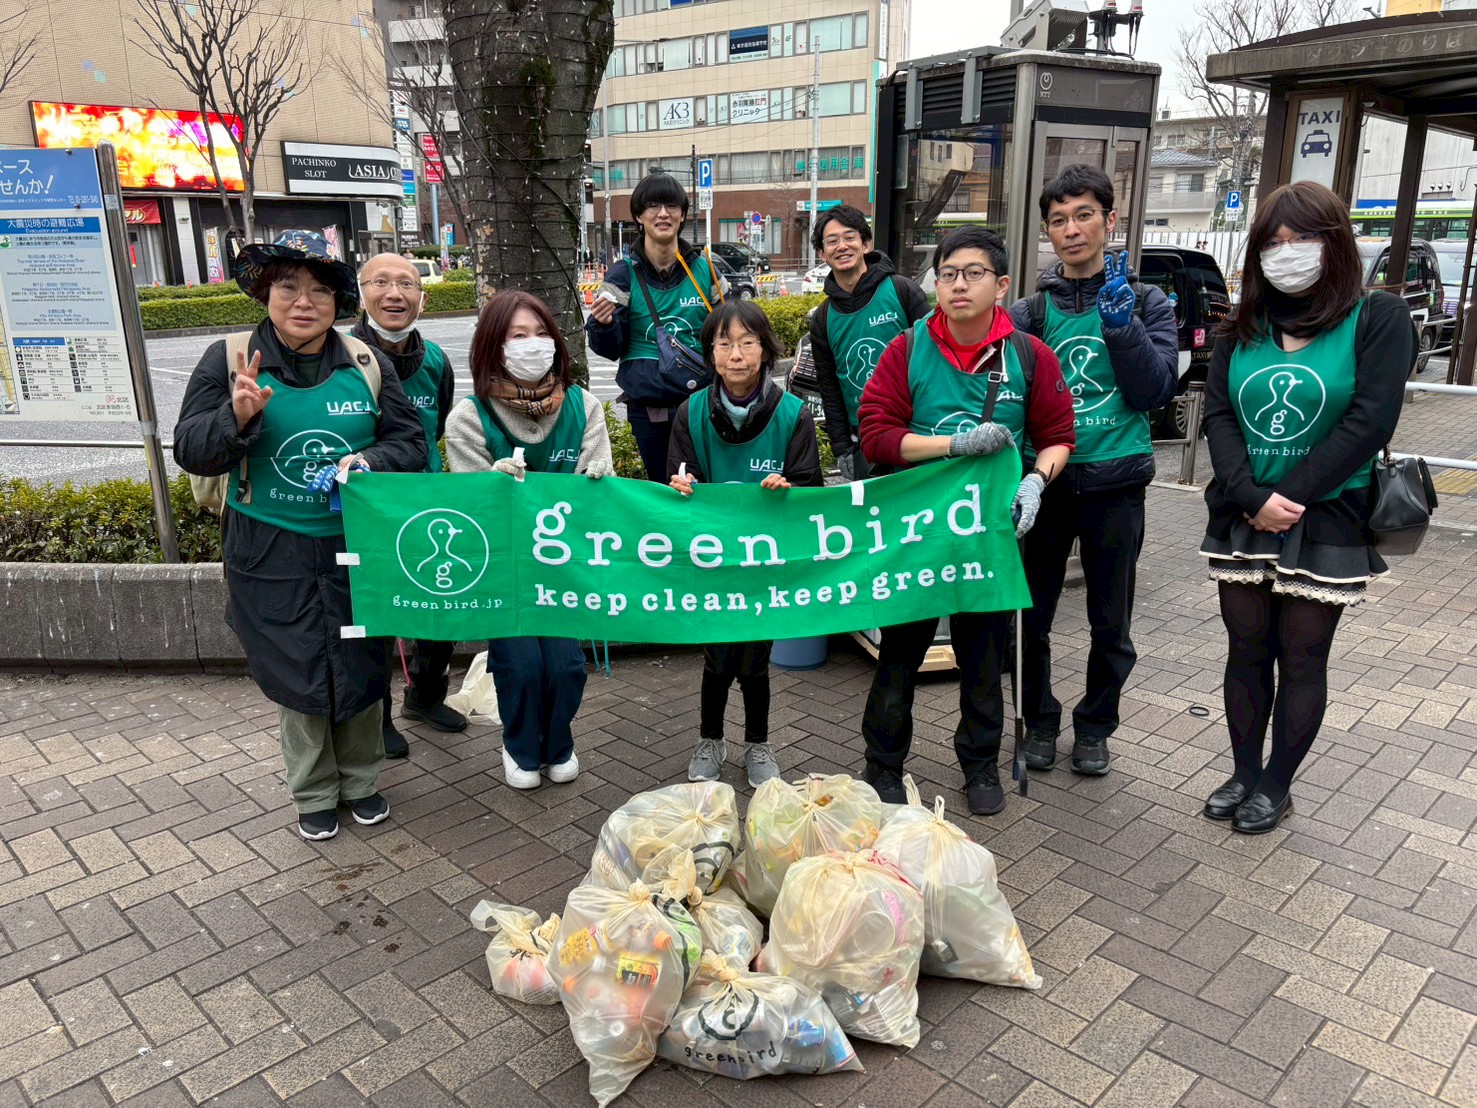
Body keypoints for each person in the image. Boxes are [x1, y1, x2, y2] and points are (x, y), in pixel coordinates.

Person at [174, 245, 426, 841]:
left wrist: (367, 458)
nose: (303, 302)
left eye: (319, 291)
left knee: (363, 660)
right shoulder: (230, 358)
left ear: (339, 302)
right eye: (288, 288)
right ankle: (313, 790)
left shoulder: (365, 362)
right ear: (265, 295)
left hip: (354, 543)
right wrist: (234, 418)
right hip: (269, 548)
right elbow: (189, 448)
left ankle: (362, 781)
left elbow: (411, 444)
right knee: (296, 665)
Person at [1200, 181, 1413, 834]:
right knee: (1244, 649)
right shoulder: (1241, 328)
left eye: (1301, 239)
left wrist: (1287, 497)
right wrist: (1251, 496)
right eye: (1273, 242)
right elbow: (1216, 415)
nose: (1285, 252)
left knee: (1300, 656)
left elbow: (1369, 420)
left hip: (1325, 516)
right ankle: (1241, 771)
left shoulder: (1376, 318)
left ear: (1335, 244)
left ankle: (1275, 783)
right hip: (1242, 514)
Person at [858, 227, 1074, 815]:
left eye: (973, 273)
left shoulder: (1031, 356)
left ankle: (980, 764)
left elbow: (1057, 438)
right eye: (948, 273)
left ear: (1001, 286)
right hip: (917, 537)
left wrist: (1036, 480)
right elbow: (876, 436)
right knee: (899, 653)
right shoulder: (907, 349)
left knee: (983, 657)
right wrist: (951, 446)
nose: (957, 284)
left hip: (988, 540)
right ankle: (882, 763)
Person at [1008, 164, 1179, 777]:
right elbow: (1008, 395)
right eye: (1058, 220)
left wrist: (1120, 326)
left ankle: (1095, 727)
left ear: (1110, 221)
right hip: (1046, 488)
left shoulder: (1148, 301)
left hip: (1116, 486)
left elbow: (1154, 391)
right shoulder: (1031, 311)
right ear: (1047, 233)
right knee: (1032, 616)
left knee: (1112, 621)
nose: (1072, 229)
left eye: (1084, 216)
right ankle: (1040, 722)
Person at [445, 290, 614, 790]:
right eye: (517, 336)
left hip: (564, 567)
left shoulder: (584, 405)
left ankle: (557, 743)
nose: (532, 345)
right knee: (519, 666)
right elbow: (467, 508)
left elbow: (596, 492)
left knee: (564, 667)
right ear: (494, 346)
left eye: (541, 334)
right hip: (507, 569)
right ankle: (519, 747)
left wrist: (601, 481)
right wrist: (489, 487)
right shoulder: (469, 417)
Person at [667, 301, 824, 787]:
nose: (736, 354)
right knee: (717, 658)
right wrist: (678, 488)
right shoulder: (689, 413)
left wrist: (789, 491)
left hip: (764, 564)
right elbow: (675, 487)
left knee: (755, 660)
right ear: (710, 353)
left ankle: (759, 743)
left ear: (765, 350)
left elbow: (811, 490)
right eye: (724, 343)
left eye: (748, 342)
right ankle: (710, 739)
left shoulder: (792, 414)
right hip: (711, 562)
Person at [351, 253, 467, 758]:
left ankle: (423, 695)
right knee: (376, 614)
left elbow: (435, 427)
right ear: (361, 292)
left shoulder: (436, 360)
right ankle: (375, 718)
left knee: (442, 604)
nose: (394, 294)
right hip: (368, 506)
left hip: (426, 497)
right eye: (381, 282)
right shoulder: (341, 355)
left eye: (407, 284)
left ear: (422, 296)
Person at [586, 172, 726, 481]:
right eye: (652, 206)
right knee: (663, 489)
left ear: (683, 214)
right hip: (649, 411)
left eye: (671, 205)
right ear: (639, 215)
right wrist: (603, 324)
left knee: (706, 487)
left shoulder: (705, 269)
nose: (663, 213)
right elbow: (609, 350)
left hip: (702, 405)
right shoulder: (622, 275)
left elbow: (730, 333)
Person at [806, 205, 930, 480]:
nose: (842, 246)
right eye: (832, 241)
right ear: (822, 254)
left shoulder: (901, 291)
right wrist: (841, 446)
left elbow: (938, 355)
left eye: (850, 237)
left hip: (918, 428)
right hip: (867, 439)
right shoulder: (823, 319)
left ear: (866, 243)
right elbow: (830, 388)